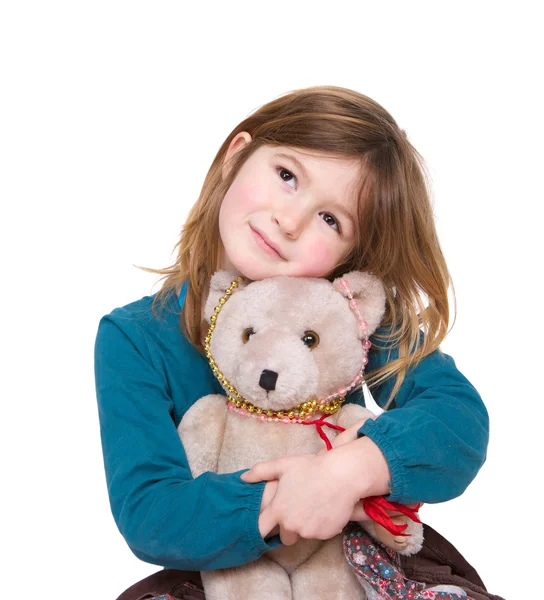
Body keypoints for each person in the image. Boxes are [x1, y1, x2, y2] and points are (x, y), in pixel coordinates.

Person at [94, 86, 489, 577]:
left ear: (350, 255)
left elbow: (458, 421)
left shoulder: (347, 317)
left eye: (330, 218)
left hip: (348, 568)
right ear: (235, 157)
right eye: (286, 176)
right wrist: (298, 497)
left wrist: (348, 472)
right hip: (222, 577)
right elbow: (152, 513)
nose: (291, 220)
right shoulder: (134, 337)